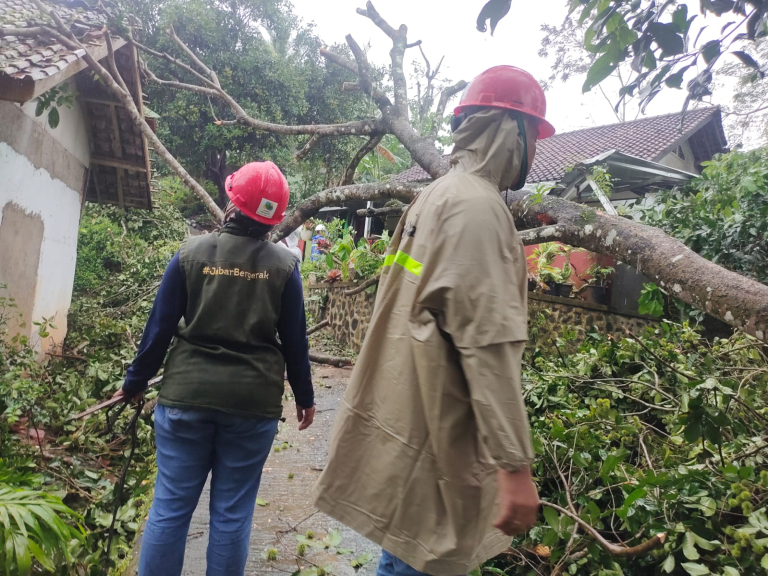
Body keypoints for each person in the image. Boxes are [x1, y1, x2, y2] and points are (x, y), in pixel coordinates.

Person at [313, 65, 556, 576]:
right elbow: (487, 344)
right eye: (534, 132)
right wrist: (515, 466)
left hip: (412, 417)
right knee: (422, 553)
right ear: (510, 130)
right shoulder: (477, 209)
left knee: (406, 549)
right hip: (438, 436)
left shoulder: (437, 195)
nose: (535, 146)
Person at [113, 161, 316, 576]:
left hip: (186, 399)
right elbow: (295, 341)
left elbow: (159, 329)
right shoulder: (284, 267)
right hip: (251, 407)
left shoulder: (191, 253)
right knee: (231, 516)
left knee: (169, 509)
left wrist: (134, 382)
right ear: (274, 218)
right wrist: (305, 397)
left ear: (231, 201)